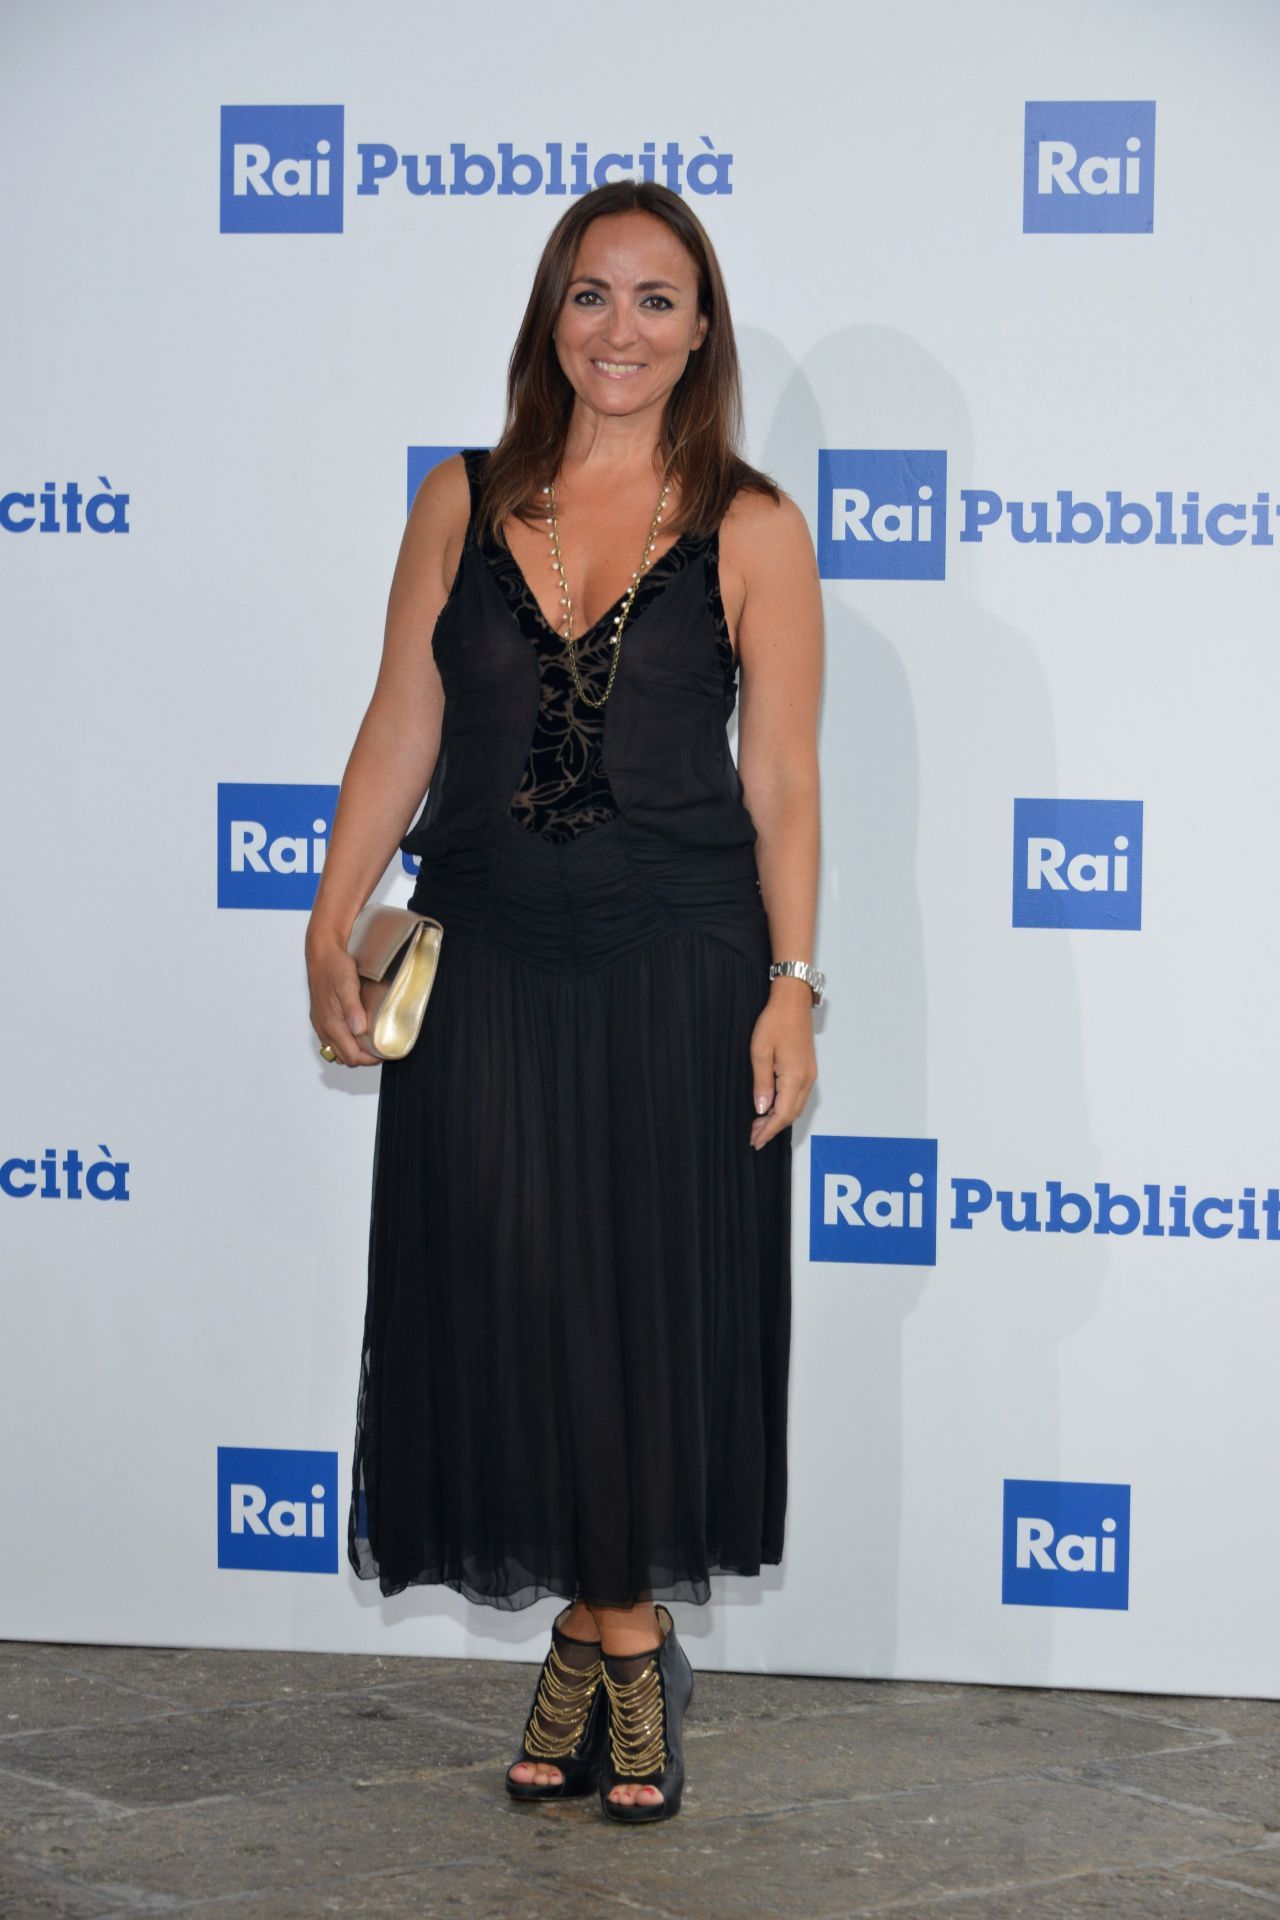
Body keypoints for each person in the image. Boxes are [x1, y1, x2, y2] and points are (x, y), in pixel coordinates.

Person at [305, 178, 824, 1825]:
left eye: (657, 300)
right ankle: (618, 1642)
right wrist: (328, 912)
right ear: (552, 315)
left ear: (702, 329)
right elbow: (403, 721)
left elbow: (784, 782)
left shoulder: (755, 527)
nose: (620, 329)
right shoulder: (460, 501)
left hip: (680, 963)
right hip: (486, 961)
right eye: (592, 295)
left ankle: (612, 1648)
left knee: (642, 1317)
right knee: (517, 1308)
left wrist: (794, 984)